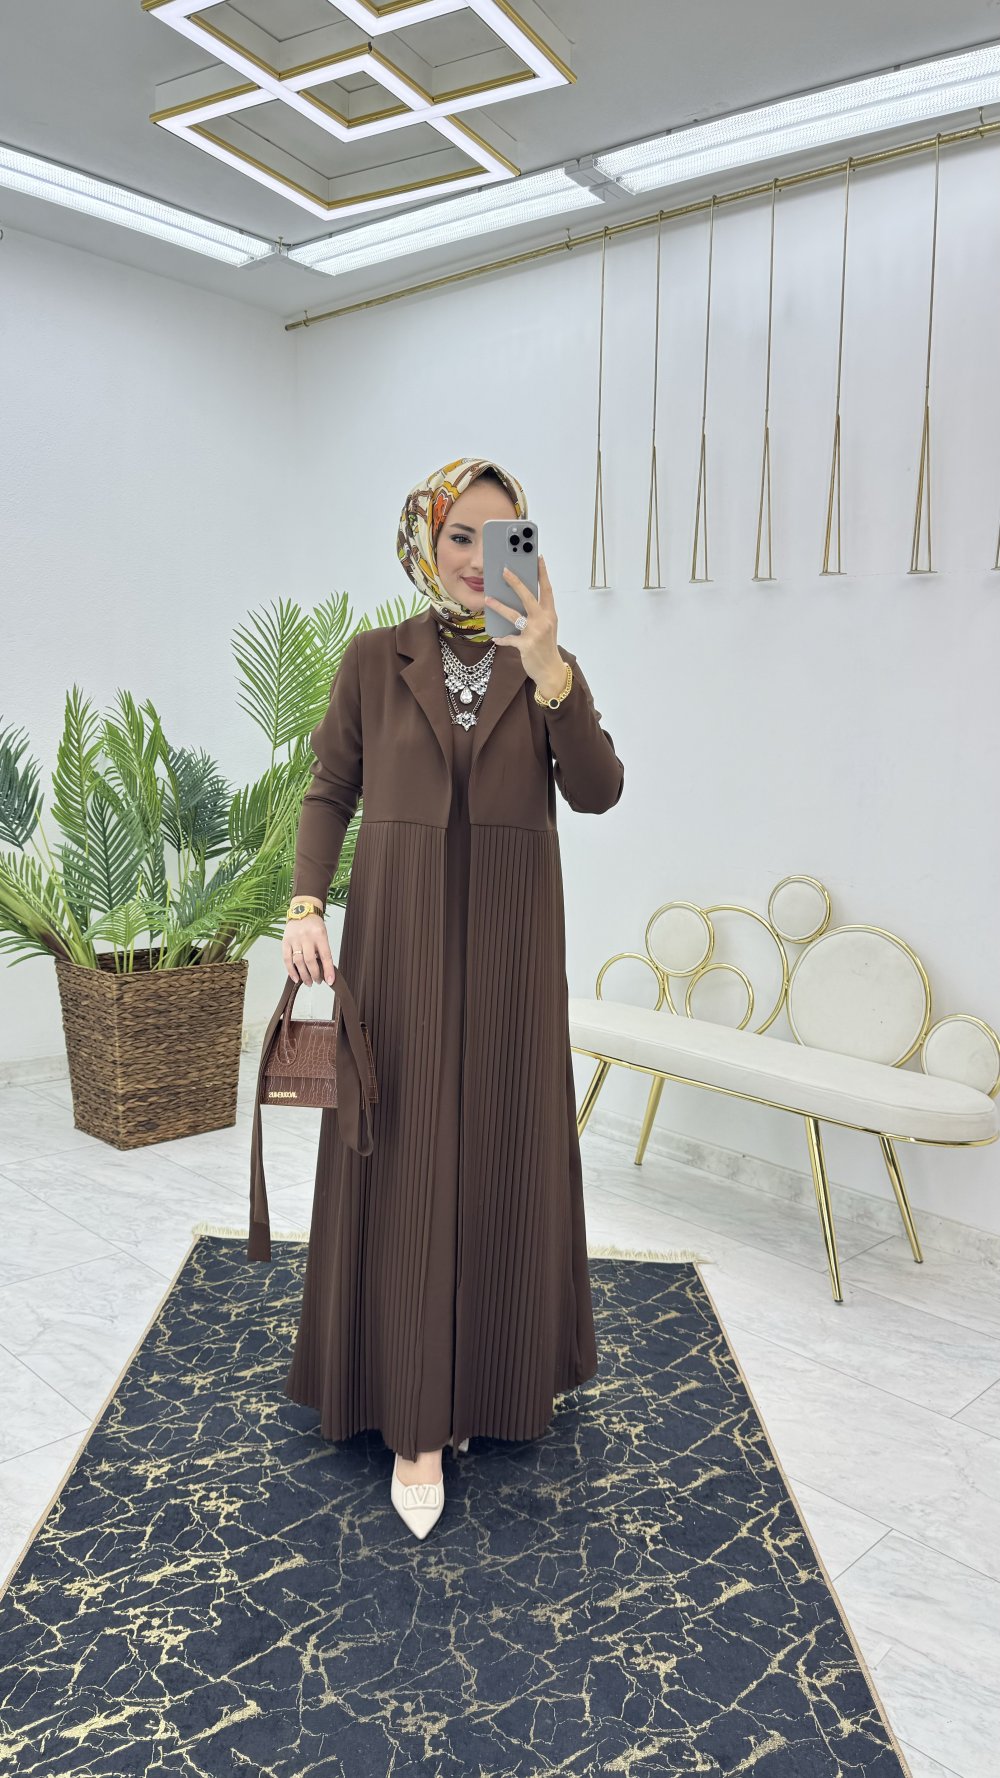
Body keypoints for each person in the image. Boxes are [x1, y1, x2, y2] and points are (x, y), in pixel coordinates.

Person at [273, 456, 624, 1537]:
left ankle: (492, 1382)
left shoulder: (545, 663)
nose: (478, 557)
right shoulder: (374, 659)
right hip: (402, 941)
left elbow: (598, 790)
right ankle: (415, 1419)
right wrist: (304, 903)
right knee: (407, 1151)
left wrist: (549, 665)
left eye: (501, 536)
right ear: (424, 542)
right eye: (459, 535)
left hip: (514, 947)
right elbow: (331, 787)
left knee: (503, 1145)